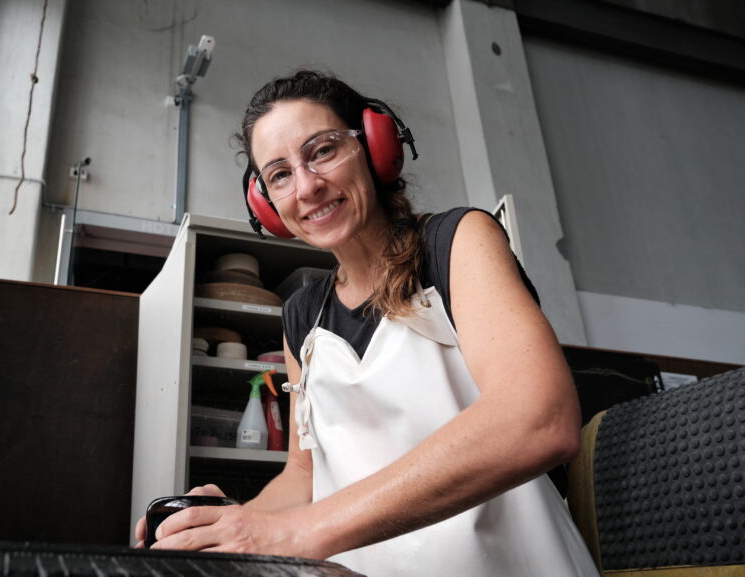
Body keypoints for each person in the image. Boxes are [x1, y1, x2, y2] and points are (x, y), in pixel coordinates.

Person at [135, 69, 599, 577]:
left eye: (323, 151)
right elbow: (303, 474)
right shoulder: (301, 316)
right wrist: (231, 525)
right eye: (281, 174)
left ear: (375, 147)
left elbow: (537, 419)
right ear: (266, 204)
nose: (308, 187)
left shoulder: (457, 242)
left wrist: (298, 533)